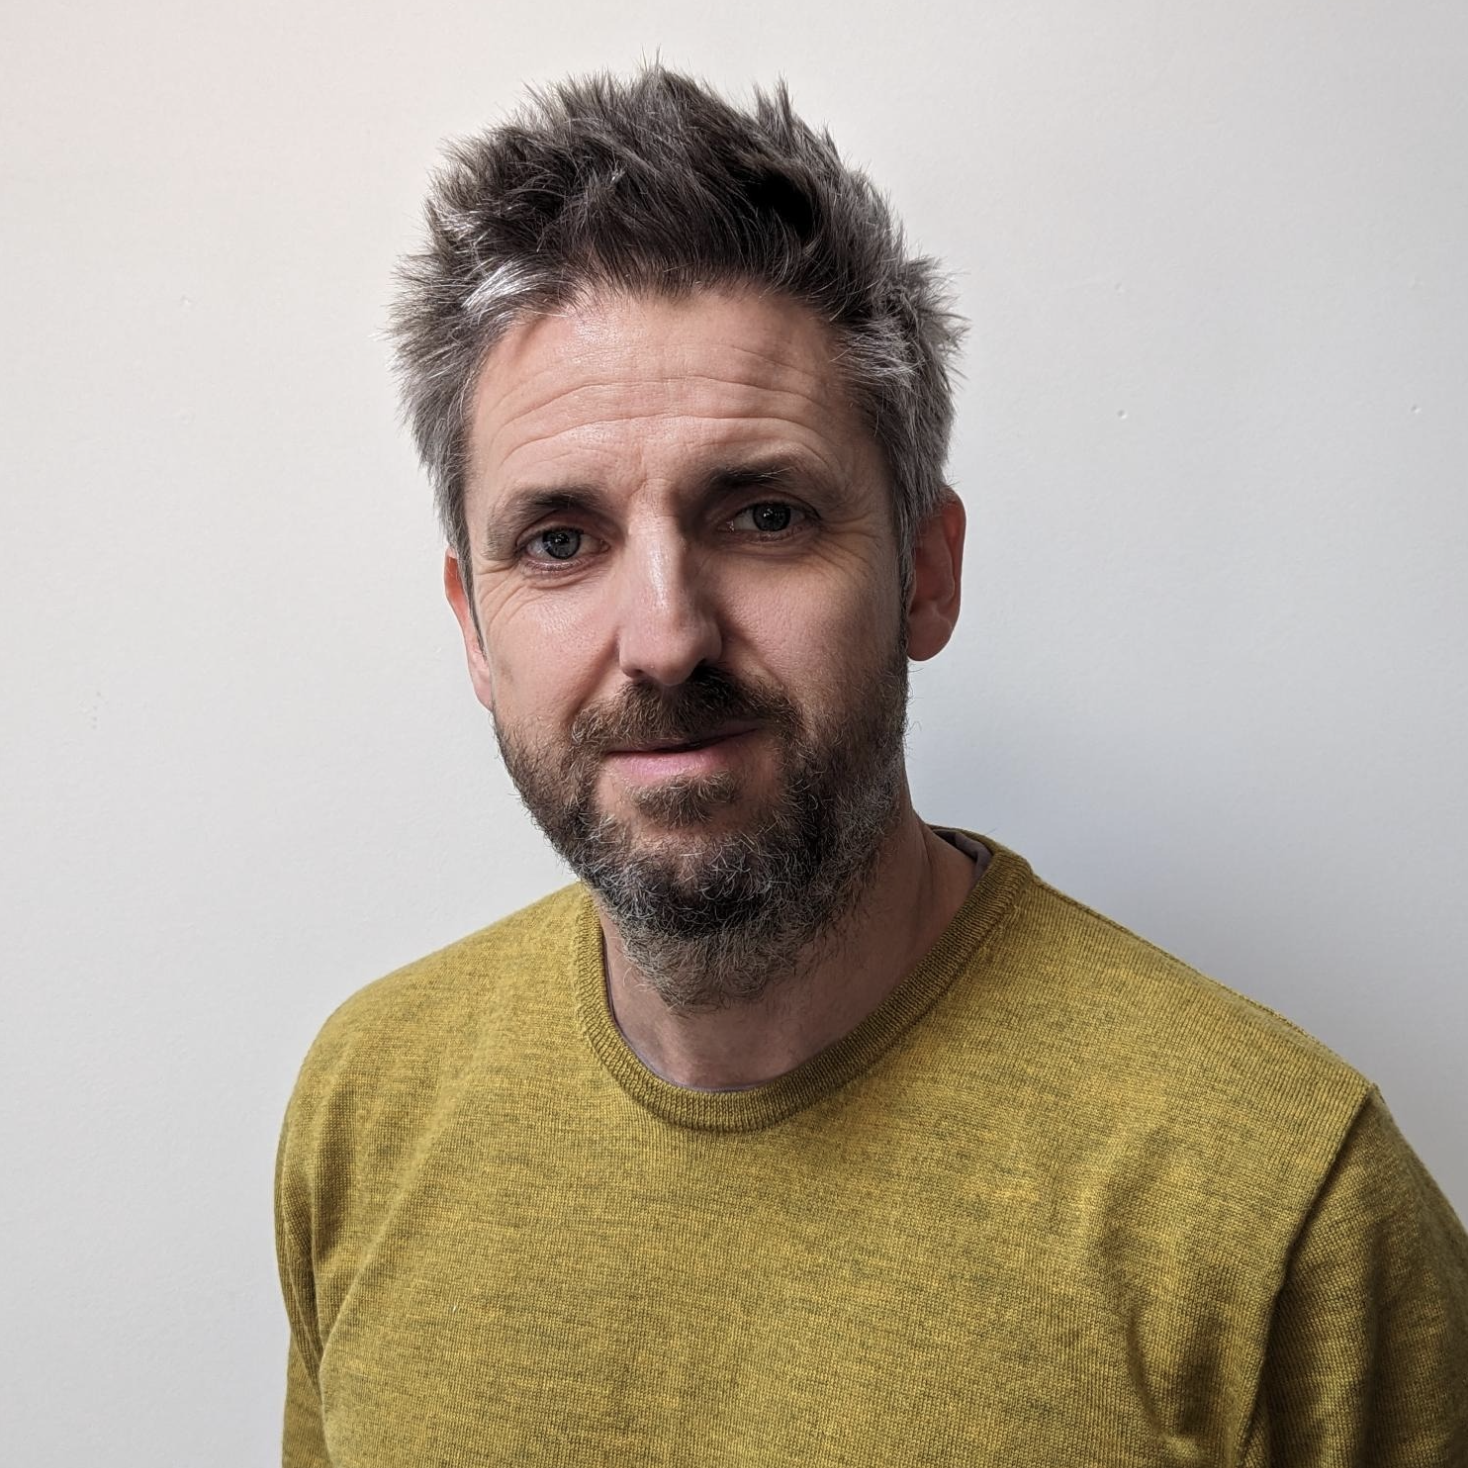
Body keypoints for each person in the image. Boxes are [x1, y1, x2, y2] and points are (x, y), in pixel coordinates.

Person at [275, 66, 1468, 1466]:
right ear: (474, 628)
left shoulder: (1287, 1218)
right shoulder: (368, 1104)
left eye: (765, 515)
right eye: (559, 541)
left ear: (925, 573)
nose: (663, 636)